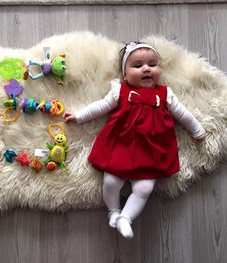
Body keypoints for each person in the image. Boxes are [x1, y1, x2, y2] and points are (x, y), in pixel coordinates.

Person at [63, 42, 206, 239]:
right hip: (121, 145)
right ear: (125, 74)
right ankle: (113, 211)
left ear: (159, 70)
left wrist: (197, 130)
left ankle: (125, 218)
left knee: (145, 188)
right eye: (137, 65)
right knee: (111, 182)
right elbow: (100, 107)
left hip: (151, 150)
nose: (146, 68)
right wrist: (79, 116)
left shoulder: (165, 95)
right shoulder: (120, 91)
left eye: (152, 64)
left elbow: (184, 115)